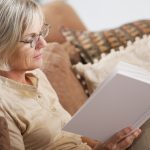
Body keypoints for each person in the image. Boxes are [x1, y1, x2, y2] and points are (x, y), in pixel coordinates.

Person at [0, 0, 141, 149]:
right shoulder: (4, 105)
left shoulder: (36, 75)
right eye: (31, 39)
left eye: (41, 34)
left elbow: (70, 135)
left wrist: (100, 145)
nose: (43, 44)